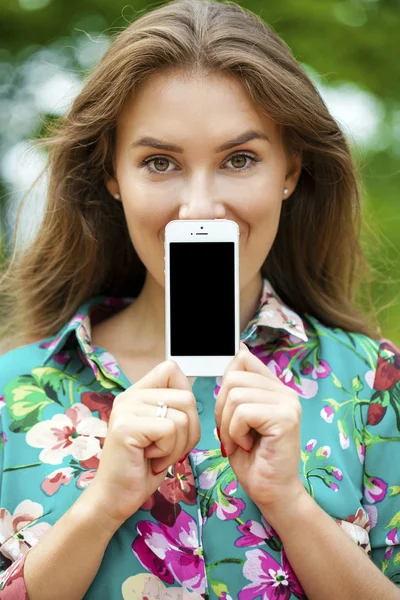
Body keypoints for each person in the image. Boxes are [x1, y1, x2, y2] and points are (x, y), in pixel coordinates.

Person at [0, 0, 399, 597]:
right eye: (160, 162)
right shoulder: (10, 395)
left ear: (290, 168)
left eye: (240, 159)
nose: (201, 209)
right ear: (112, 173)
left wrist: (290, 503)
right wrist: (100, 506)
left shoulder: (372, 385)